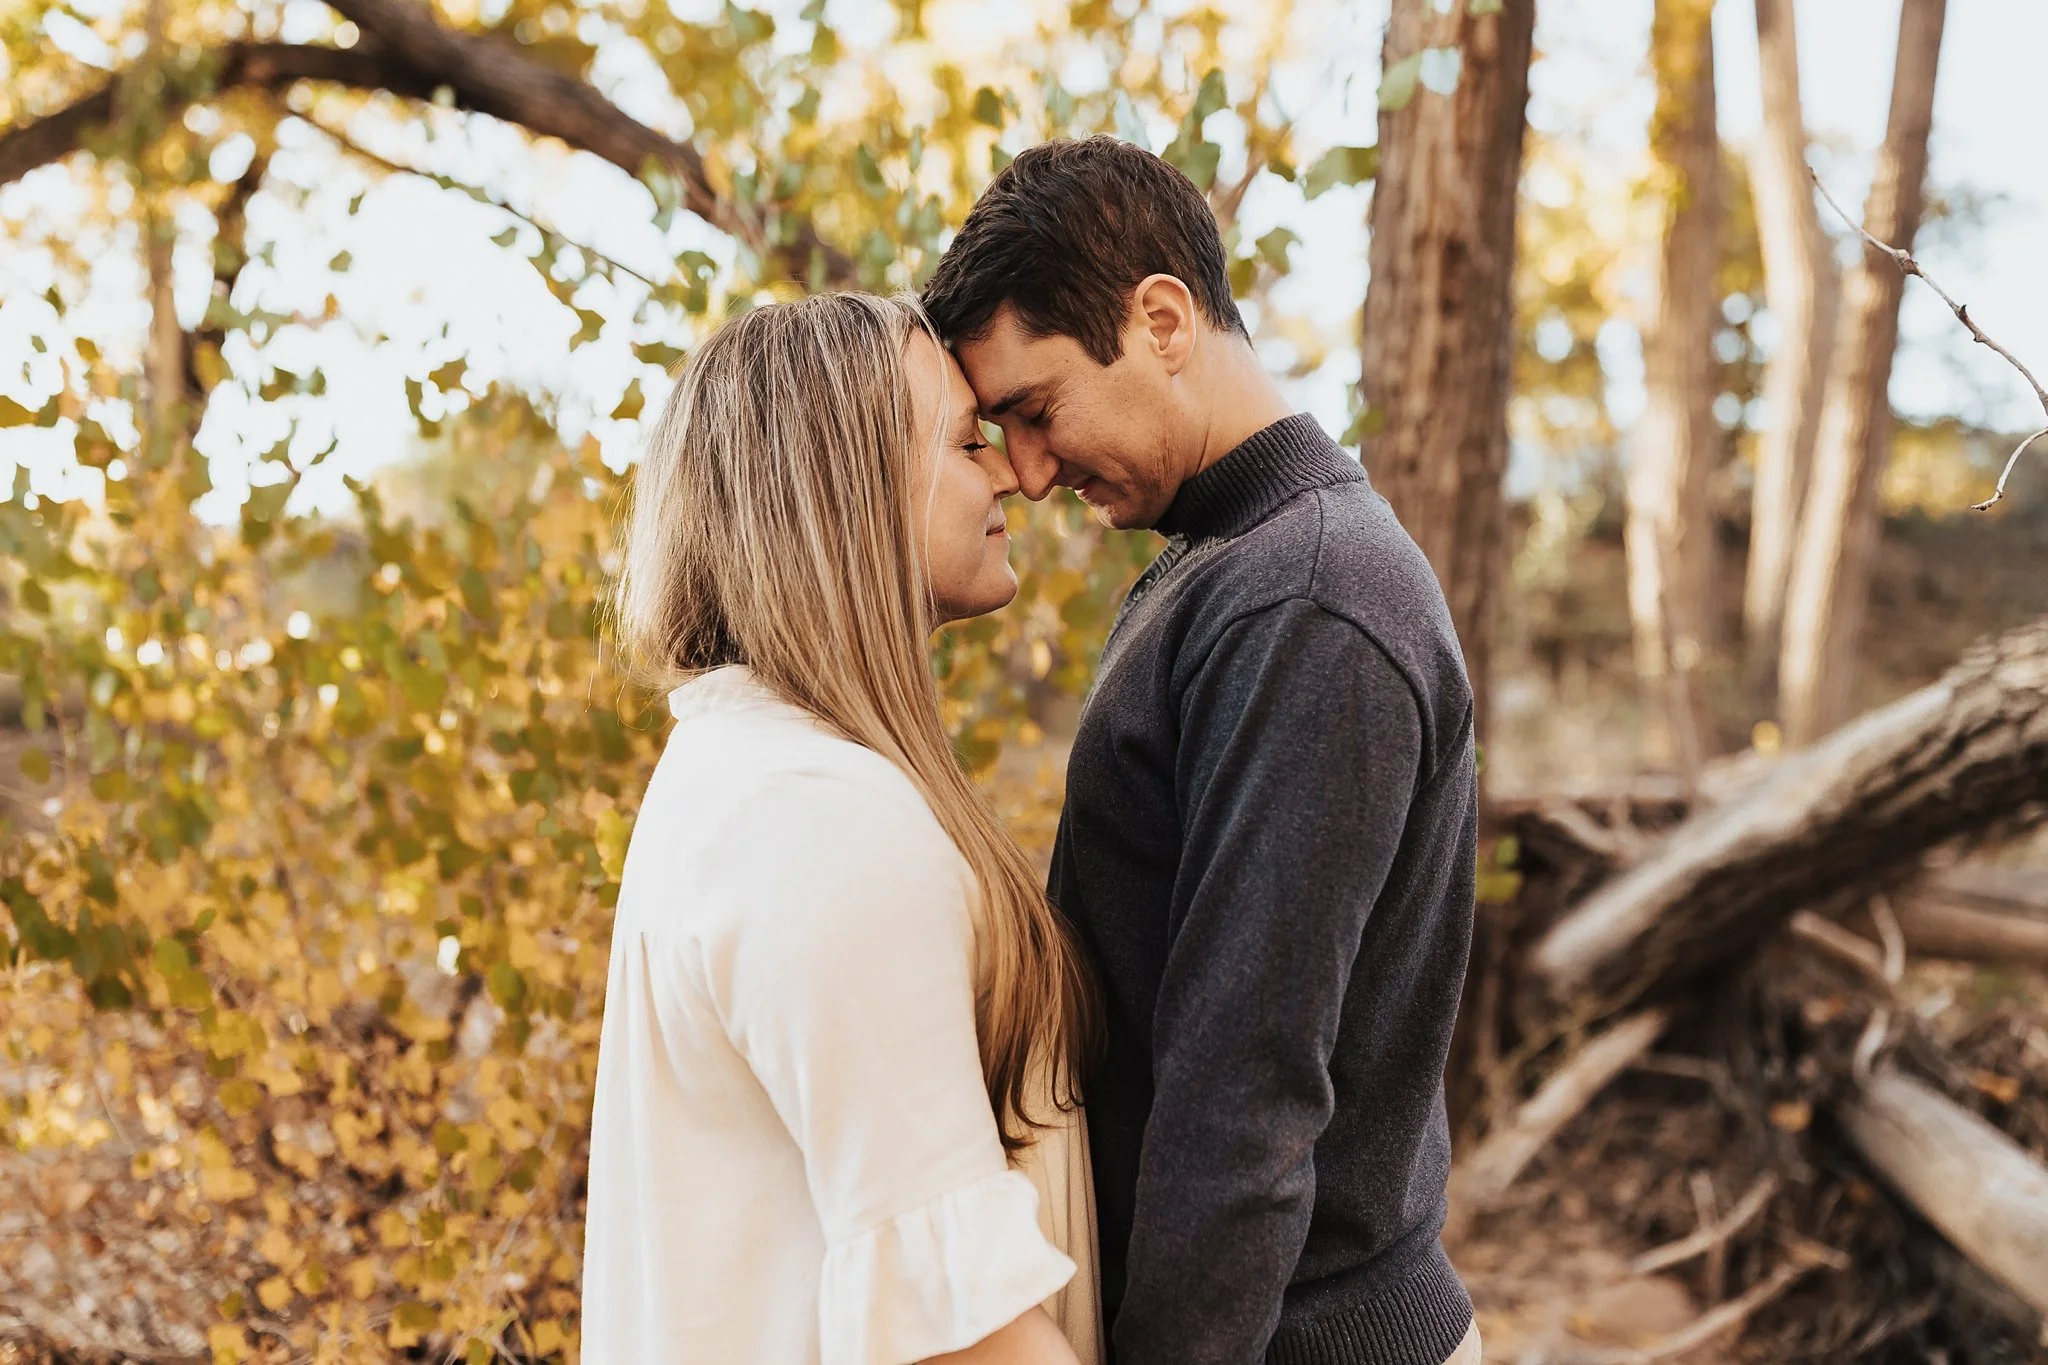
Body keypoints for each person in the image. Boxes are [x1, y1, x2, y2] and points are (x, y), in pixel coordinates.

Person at [922, 136, 1482, 1365]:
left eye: (1035, 407)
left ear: (1162, 319)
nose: (1024, 468)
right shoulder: (1221, 563)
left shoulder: (1306, 600)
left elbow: (1246, 1091)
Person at [584, 292, 1104, 1365]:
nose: (1009, 471)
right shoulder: (812, 818)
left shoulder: (749, 774)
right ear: (842, 493)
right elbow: (967, 1339)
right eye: (965, 442)